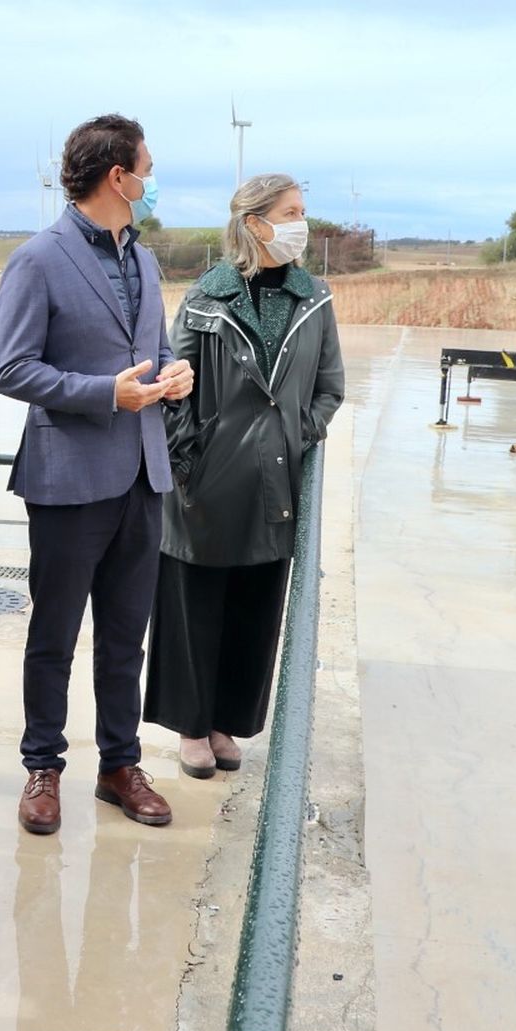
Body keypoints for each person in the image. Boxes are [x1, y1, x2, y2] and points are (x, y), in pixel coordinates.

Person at [0, 114, 194, 836]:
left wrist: (175, 374)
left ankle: (120, 765)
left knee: (124, 635)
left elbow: (156, 347)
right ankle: (42, 767)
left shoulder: (140, 256)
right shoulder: (38, 259)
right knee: (52, 633)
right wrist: (106, 392)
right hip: (68, 476)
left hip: (143, 472)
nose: (150, 179)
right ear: (119, 176)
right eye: (146, 166)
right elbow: (13, 369)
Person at [145, 174, 344, 776]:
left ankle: (227, 721)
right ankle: (191, 727)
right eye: (289, 212)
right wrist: (188, 462)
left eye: (302, 211)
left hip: (273, 477)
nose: (300, 224)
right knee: (193, 606)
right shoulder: (208, 297)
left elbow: (330, 386)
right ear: (255, 223)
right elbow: (173, 388)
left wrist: (298, 431)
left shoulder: (316, 297)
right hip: (205, 482)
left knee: (254, 609)